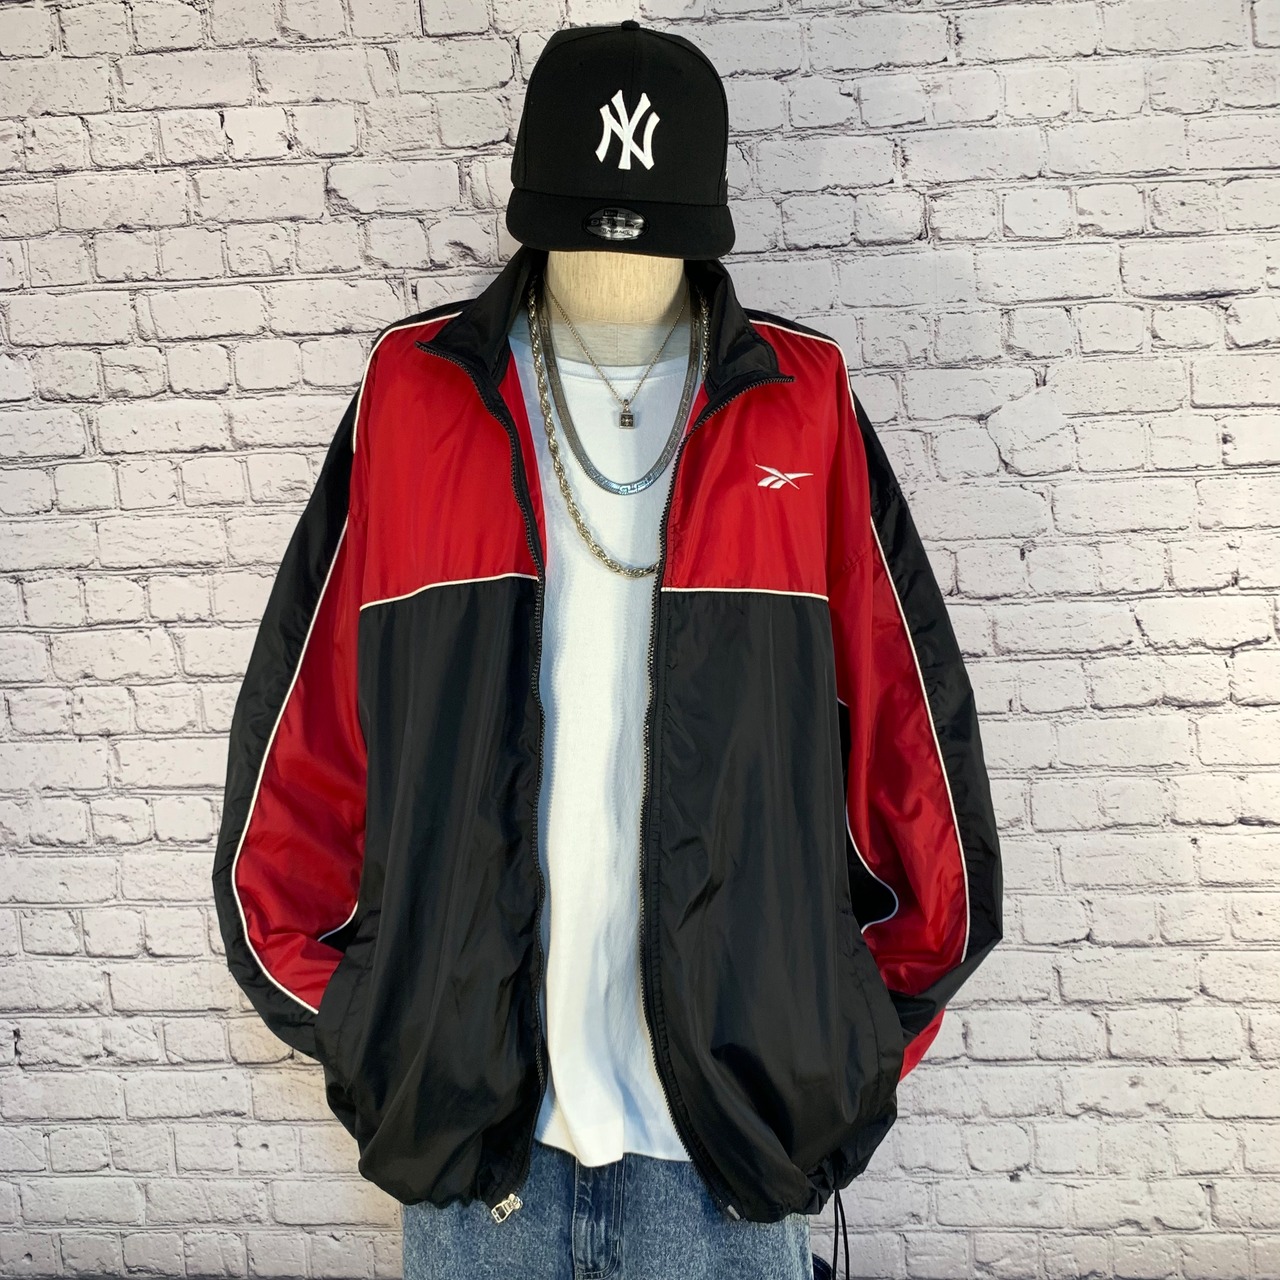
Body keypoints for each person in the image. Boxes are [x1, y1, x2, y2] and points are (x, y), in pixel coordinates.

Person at [211, 21, 1004, 1280]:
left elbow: (919, 767)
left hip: (729, 1160)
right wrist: (384, 1033)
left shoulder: (798, 404)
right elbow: (300, 757)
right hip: (477, 1159)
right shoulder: (415, 397)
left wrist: (833, 1046)